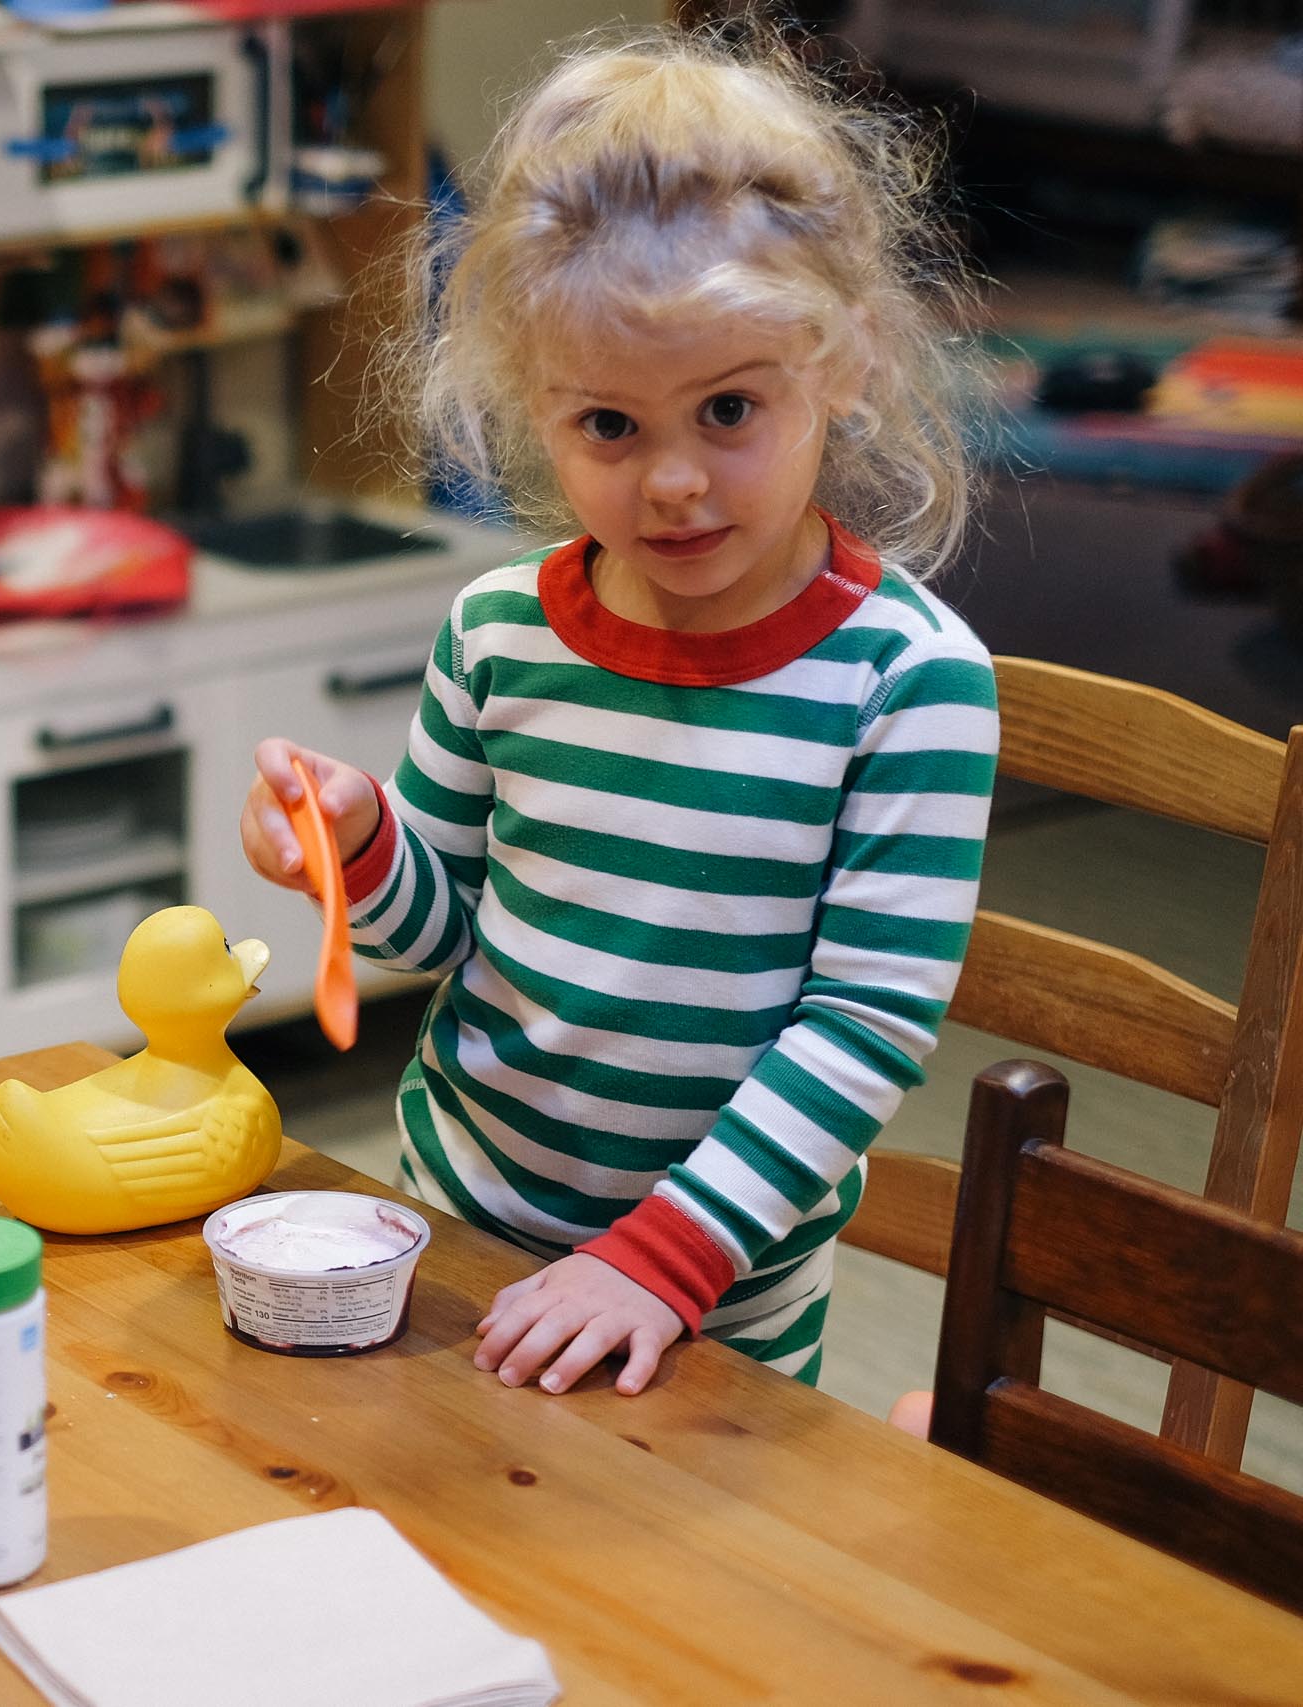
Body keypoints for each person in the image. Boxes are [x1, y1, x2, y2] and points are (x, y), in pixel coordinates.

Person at [241, 28, 998, 1395]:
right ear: (536, 404)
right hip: (463, 1228)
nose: (673, 484)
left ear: (849, 362)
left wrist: (660, 1256)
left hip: (716, 1294)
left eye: (726, 410)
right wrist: (354, 841)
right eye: (609, 426)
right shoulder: (498, 631)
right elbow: (441, 923)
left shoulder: (908, 683)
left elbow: (864, 1027)